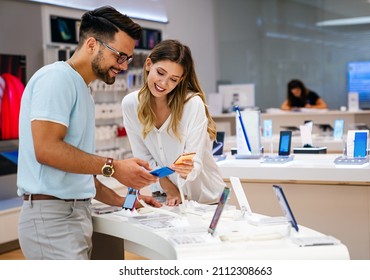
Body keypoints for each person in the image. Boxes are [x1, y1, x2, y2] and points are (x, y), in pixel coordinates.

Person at [17, 6, 162, 260]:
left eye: (127, 58)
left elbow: (80, 174)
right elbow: (47, 149)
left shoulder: (83, 90)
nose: (124, 66)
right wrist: (115, 167)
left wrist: (123, 201)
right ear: (92, 44)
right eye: (119, 56)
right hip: (51, 217)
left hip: (72, 215)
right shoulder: (57, 79)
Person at [122, 39, 226, 206]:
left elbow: (195, 163)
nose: (164, 83)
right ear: (148, 64)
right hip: (166, 197)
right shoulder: (130, 104)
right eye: (160, 73)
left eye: (173, 79)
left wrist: (187, 169)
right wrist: (168, 187)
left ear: (181, 79)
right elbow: (143, 158)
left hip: (205, 199)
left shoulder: (192, 104)